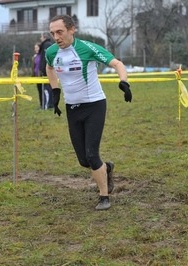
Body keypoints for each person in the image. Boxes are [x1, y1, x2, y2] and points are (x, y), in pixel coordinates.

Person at [45, 14, 132, 211]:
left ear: (71, 30)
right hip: (72, 109)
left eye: (60, 32)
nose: (56, 37)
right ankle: (106, 168)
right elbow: (49, 68)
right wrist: (55, 91)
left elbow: (117, 64)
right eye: (52, 33)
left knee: (92, 155)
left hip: (94, 105)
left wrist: (124, 82)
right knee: (84, 160)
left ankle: (104, 197)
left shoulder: (87, 48)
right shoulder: (51, 52)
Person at [30, 42, 48, 109]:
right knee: (40, 92)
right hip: (36, 77)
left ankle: (45, 105)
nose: (36, 49)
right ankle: (41, 105)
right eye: (35, 48)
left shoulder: (42, 56)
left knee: (44, 91)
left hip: (42, 77)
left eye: (37, 48)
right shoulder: (34, 57)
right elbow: (33, 67)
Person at [39, 32, 54, 109]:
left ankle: (47, 105)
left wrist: (43, 69)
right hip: (49, 69)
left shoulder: (46, 45)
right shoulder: (50, 44)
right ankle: (51, 104)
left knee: (46, 88)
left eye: (41, 37)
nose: (40, 38)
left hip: (47, 70)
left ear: (44, 37)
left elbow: (45, 58)